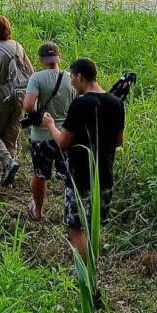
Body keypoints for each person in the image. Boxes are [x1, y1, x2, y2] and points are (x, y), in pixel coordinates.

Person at [43, 57, 125, 263]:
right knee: (93, 226)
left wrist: (50, 125)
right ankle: (94, 269)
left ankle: (86, 275)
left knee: (76, 227)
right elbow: (118, 141)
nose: (71, 82)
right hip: (105, 176)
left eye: (72, 78)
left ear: (80, 77)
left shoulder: (80, 104)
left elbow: (63, 142)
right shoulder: (117, 104)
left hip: (81, 177)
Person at [0, 15, 33, 187]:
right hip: (18, 97)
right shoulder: (18, 46)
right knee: (10, 138)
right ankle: (7, 179)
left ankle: (8, 163)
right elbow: (31, 73)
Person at [22, 42, 74, 221]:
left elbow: (28, 105)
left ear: (41, 60)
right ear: (58, 57)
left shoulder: (37, 78)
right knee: (65, 174)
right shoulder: (70, 78)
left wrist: (37, 115)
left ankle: (37, 211)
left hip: (41, 136)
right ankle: (70, 212)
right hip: (64, 135)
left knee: (40, 174)